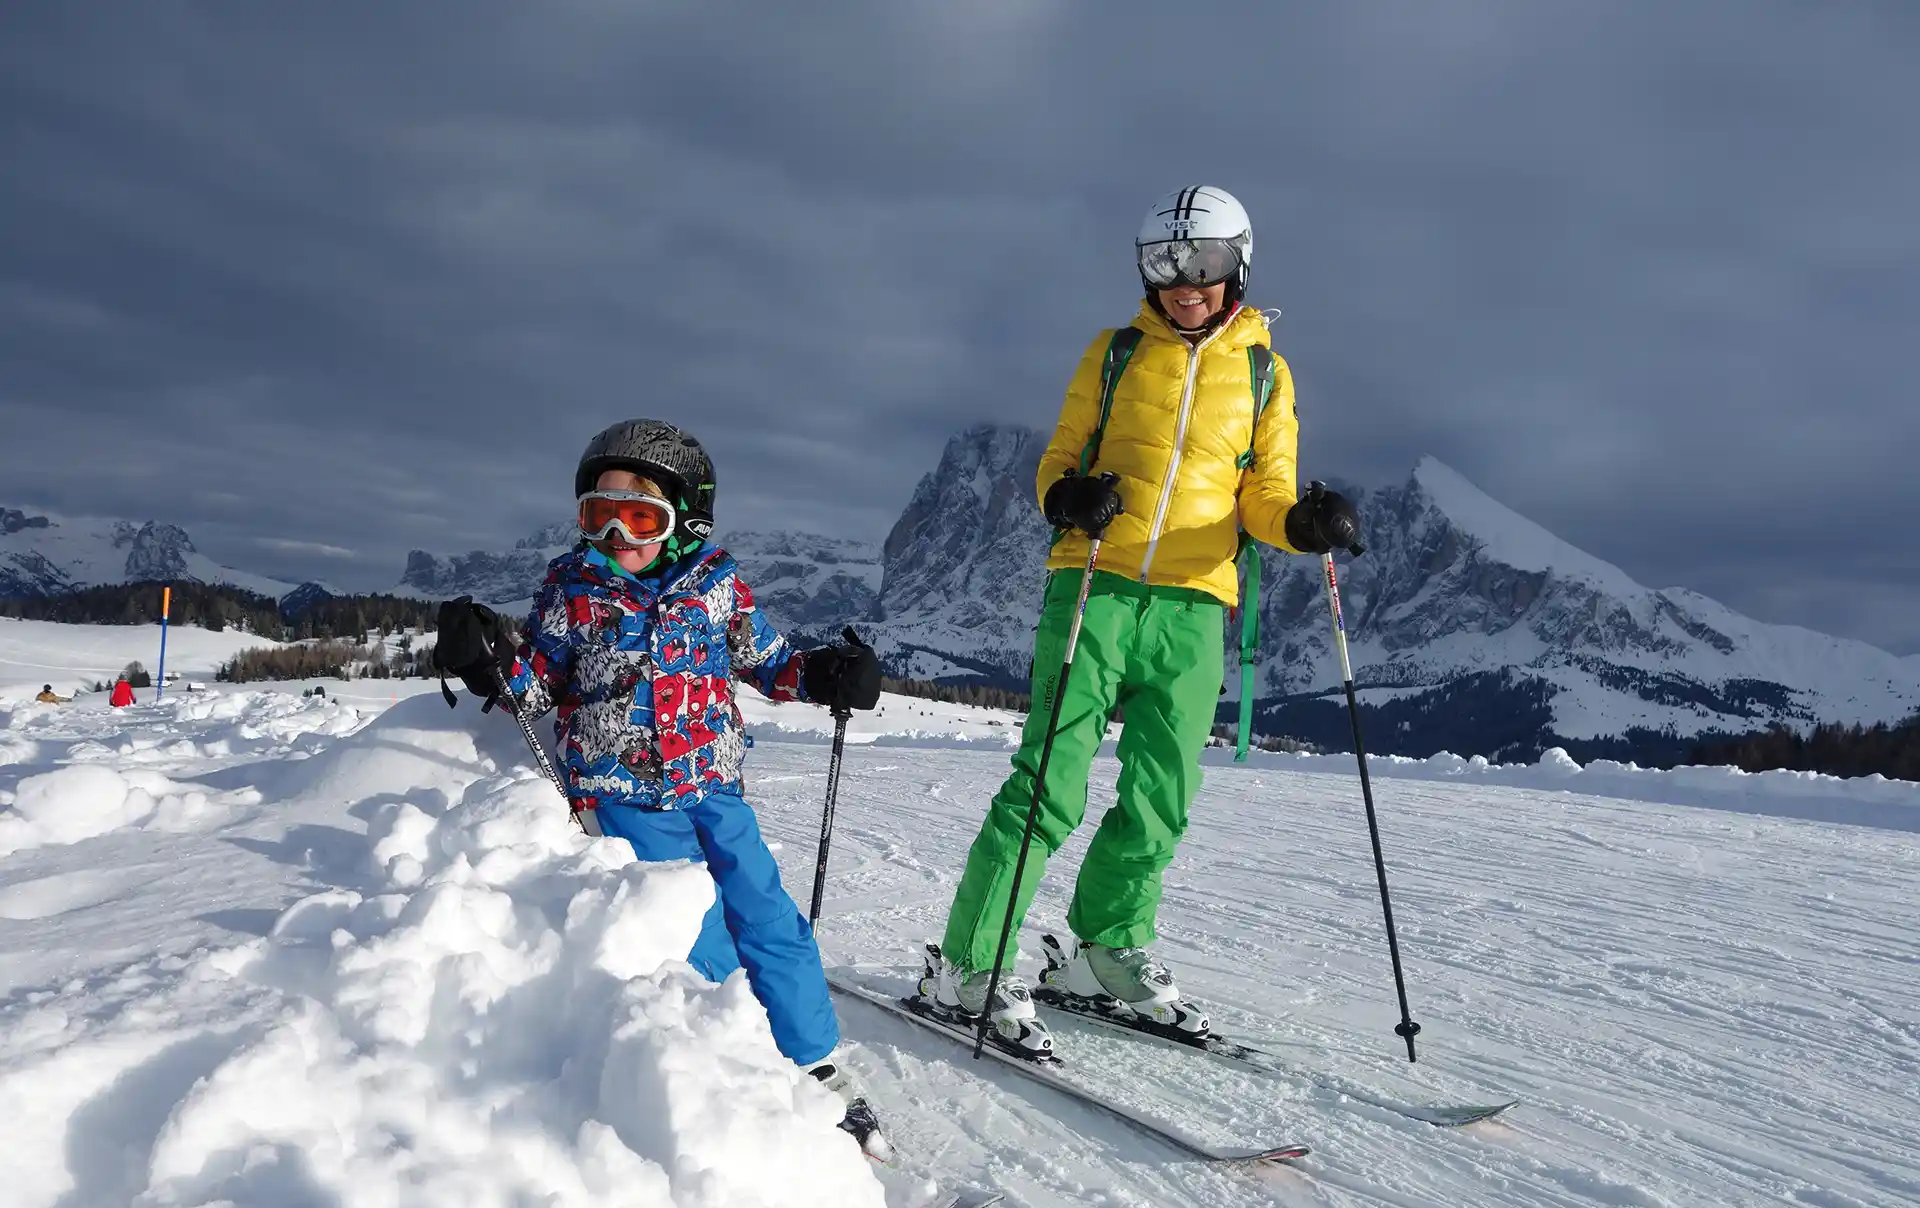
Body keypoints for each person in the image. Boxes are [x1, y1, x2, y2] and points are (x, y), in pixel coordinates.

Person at [922, 186, 1362, 1055]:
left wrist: (1299, 527)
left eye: (1200, 265)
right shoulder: (1115, 352)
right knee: (1049, 783)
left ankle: (1104, 950)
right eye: (1163, 264)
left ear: (1235, 267)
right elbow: (1060, 456)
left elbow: (1265, 494)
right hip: (1096, 582)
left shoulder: (1266, 373)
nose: (1182, 282)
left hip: (1199, 603)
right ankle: (966, 964)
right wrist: (1066, 496)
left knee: (1162, 798)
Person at [432, 419, 888, 1154]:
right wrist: (486, 661)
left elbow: (768, 661)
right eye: (597, 513)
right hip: (621, 789)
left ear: (686, 519)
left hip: (713, 781)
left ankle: (815, 1062)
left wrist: (825, 674)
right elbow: (537, 686)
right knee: (697, 927)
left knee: (766, 915)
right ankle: (746, 1068)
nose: (615, 532)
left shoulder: (715, 583)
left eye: (639, 515)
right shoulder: (572, 588)